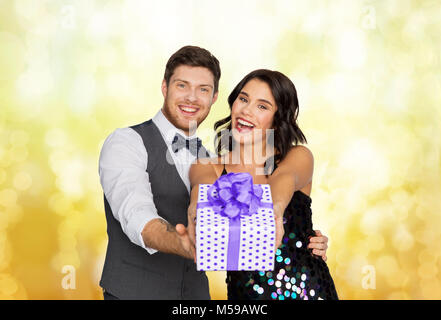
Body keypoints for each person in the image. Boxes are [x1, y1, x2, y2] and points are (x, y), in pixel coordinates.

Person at [99, 45, 329, 300]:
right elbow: (136, 214)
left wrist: (297, 232)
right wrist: (186, 236)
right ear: (164, 87)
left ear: (215, 97)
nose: (191, 98)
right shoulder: (128, 142)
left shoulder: (212, 156)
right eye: (182, 85)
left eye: (203, 90)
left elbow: (284, 180)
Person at [185, 69, 338, 300]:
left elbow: (283, 178)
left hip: (310, 292)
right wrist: (197, 211)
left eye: (262, 106)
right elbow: (202, 188)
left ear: (278, 119)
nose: (246, 110)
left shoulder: (298, 156)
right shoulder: (208, 167)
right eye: (243, 99)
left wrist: (274, 212)